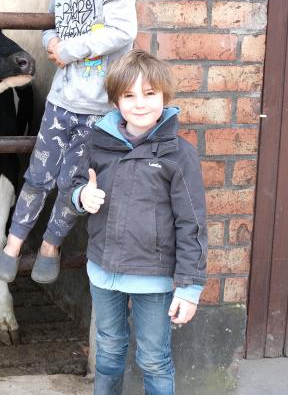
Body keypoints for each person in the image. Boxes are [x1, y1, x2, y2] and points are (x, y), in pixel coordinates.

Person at [0, 0, 137, 284]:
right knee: (38, 175)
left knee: (73, 182)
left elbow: (123, 31)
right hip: (61, 101)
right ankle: (13, 242)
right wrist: (53, 39)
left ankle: (50, 245)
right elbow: (49, 28)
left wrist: (70, 49)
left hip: (99, 107)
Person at [73, 49, 207, 394]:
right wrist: (81, 196)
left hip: (154, 278)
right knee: (109, 348)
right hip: (104, 271)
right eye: (129, 95)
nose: (140, 104)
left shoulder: (179, 154)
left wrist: (189, 288)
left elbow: (191, 223)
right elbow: (73, 183)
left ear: (165, 96)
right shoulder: (98, 143)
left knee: (153, 358)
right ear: (116, 100)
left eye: (149, 94)